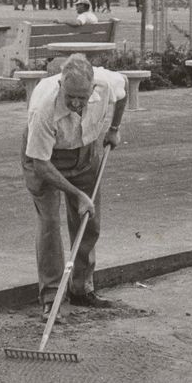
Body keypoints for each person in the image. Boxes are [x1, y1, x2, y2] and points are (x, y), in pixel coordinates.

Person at [21, 53, 127, 315]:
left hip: (85, 150)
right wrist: (77, 193)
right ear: (60, 86)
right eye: (71, 97)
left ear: (92, 87)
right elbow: (41, 165)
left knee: (89, 222)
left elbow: (123, 88)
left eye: (82, 96)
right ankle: (51, 297)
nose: (77, 102)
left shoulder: (105, 83)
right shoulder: (42, 109)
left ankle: (81, 289)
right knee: (49, 224)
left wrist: (114, 128)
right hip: (43, 157)